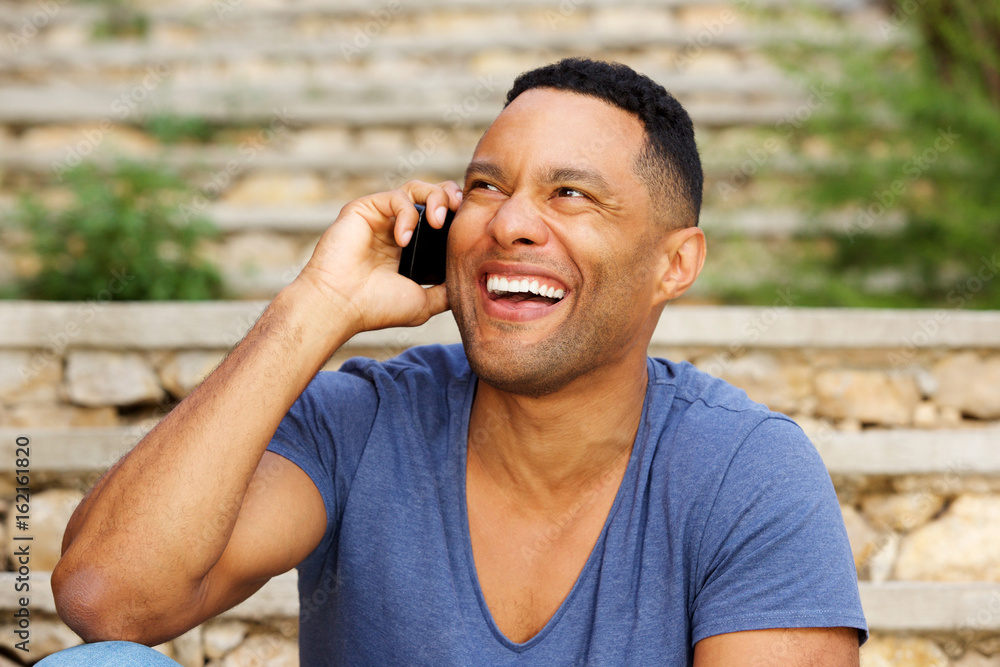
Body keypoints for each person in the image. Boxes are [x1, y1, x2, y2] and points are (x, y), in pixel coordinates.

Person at [47, 58, 867, 666]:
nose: (510, 223)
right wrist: (316, 305)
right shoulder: (360, 421)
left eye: (570, 194)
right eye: (485, 187)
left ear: (674, 263)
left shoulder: (745, 472)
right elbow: (107, 599)